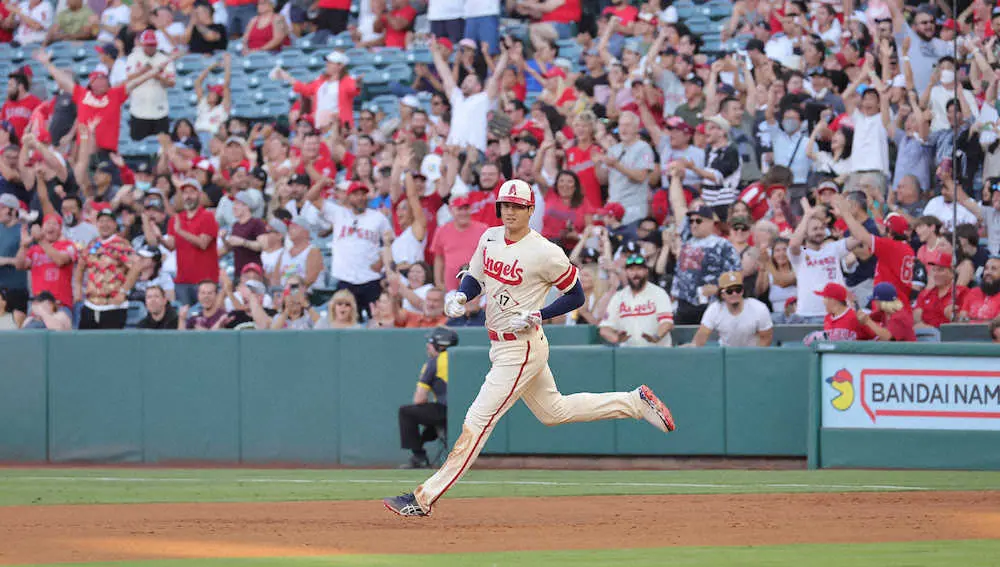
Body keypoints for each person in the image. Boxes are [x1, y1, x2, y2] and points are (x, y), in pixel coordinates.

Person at [383, 179, 676, 518]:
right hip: (502, 344)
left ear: (530, 210)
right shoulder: (490, 237)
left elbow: (576, 294)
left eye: (517, 206)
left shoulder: (545, 251)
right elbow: (475, 276)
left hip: (521, 346)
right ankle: (634, 402)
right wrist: (462, 295)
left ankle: (423, 498)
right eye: (505, 205)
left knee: (476, 421)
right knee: (555, 412)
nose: (509, 211)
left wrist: (541, 313)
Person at [34, 47, 172, 155]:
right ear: (91, 83)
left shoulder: (115, 94)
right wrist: (47, 63)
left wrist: (157, 69)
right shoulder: (82, 93)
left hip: (106, 150)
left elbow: (136, 82)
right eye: (96, 79)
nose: (100, 82)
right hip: (84, 149)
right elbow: (63, 80)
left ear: (108, 82)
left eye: (103, 79)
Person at [667, 164, 741, 325]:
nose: (693, 224)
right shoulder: (688, 237)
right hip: (684, 302)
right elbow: (678, 204)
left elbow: (736, 276)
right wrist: (675, 178)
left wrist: (719, 290)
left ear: (710, 222)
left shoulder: (722, 245)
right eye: (691, 220)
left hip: (711, 303)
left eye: (698, 220)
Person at [397, 326, 458, 469]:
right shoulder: (459, 357)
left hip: (445, 410)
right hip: (469, 411)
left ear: (440, 344)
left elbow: (419, 399)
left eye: (430, 342)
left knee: (406, 412)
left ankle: (419, 456)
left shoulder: (434, 362)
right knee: (432, 414)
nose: (428, 346)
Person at [74, 208, 140, 329]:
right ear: (97, 224)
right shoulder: (93, 244)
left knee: (110, 346)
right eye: (101, 221)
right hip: (91, 305)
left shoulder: (122, 245)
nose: (105, 225)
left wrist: (123, 291)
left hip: (113, 306)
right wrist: (78, 288)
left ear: (115, 224)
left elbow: (136, 266)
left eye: (108, 221)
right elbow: (80, 265)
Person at [787, 200, 851, 324]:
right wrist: (807, 215)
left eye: (822, 228)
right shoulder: (800, 254)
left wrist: (844, 215)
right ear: (805, 233)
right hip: (807, 315)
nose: (819, 232)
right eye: (815, 229)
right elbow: (794, 244)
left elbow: (859, 238)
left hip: (837, 313)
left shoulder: (834, 248)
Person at [162, 179, 219, 306]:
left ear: (200, 194)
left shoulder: (207, 216)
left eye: (192, 192)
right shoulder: (176, 219)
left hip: (205, 281)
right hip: (182, 280)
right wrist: (159, 239)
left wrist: (180, 231)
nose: (188, 196)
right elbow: (171, 246)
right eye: (185, 193)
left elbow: (203, 243)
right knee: (184, 318)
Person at [598, 254, 673, 347]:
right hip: (629, 354)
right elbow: (605, 328)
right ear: (626, 272)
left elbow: (667, 323)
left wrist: (656, 337)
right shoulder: (618, 297)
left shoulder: (658, 293)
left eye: (639, 269)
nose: (635, 273)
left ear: (646, 271)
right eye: (631, 270)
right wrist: (616, 338)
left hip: (657, 353)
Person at [595, 111, 654, 227]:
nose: (623, 129)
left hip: (633, 208)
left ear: (637, 128)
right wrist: (597, 163)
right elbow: (602, 180)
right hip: (613, 208)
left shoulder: (643, 148)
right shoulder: (614, 149)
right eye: (621, 125)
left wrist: (616, 165)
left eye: (627, 125)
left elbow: (641, 176)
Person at [689, 271, 773, 347]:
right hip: (726, 355)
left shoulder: (759, 308)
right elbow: (700, 339)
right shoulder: (714, 309)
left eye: (738, 290)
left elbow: (766, 339)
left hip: (752, 353)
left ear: (743, 291)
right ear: (722, 294)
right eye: (729, 291)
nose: (734, 294)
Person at [14, 213, 76, 310]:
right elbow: (19, 266)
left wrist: (41, 240)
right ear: (42, 228)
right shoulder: (34, 249)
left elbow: (60, 260)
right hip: (37, 304)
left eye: (55, 224)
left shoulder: (68, 245)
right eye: (47, 223)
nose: (50, 226)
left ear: (60, 230)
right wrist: (24, 246)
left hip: (60, 304)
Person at [124, 30, 177, 141]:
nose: (150, 48)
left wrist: (155, 74)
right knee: (137, 143)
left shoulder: (164, 59)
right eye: (148, 45)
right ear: (143, 44)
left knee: (163, 145)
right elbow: (128, 79)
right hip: (138, 110)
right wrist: (143, 71)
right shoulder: (133, 57)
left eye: (152, 45)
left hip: (159, 109)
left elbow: (172, 82)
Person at [0, 193, 28, 326]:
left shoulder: (22, 231)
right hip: (1, 289)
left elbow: (24, 261)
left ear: (13, 210)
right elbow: (15, 261)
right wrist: (10, 260)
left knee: (17, 327)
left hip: (17, 288)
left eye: (2, 207)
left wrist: (6, 261)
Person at [1, 65, 41, 138]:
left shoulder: (36, 103)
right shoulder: (6, 104)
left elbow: (40, 127)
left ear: (20, 87)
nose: (7, 89)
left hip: (28, 146)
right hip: (11, 148)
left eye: (10, 86)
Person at [959, 257, 1000, 323]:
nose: (988, 272)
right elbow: (962, 320)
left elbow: (997, 325)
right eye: (986, 268)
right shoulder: (973, 292)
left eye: (993, 269)